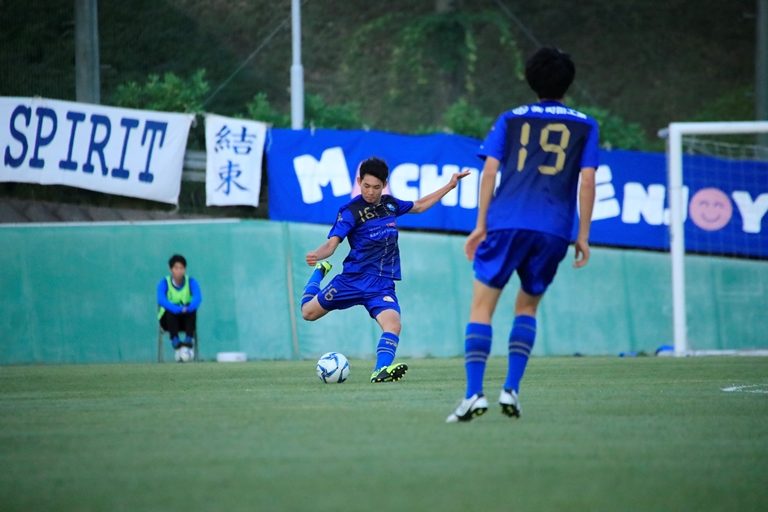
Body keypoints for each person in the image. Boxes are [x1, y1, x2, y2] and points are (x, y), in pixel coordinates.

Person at [446, 47, 599, 422]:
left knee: (481, 308)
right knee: (527, 307)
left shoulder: (511, 118)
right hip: (553, 230)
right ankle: (511, 389)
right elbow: (588, 180)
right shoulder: (586, 125)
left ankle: (473, 394)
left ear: (531, 79)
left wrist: (480, 225)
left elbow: (489, 171)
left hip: (506, 222)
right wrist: (583, 234)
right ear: (568, 82)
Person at [301, 157, 469, 383]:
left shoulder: (390, 205)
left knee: (393, 324)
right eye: (366, 186)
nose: (370, 192)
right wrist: (317, 255)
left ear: (385, 185)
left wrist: (450, 185)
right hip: (352, 279)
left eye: (376, 187)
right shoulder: (350, 211)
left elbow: (419, 206)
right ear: (359, 182)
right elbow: (332, 244)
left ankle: (380, 370)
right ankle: (320, 272)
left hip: (381, 284)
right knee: (308, 313)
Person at [157, 254, 202, 361]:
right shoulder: (164, 283)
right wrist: (177, 309)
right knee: (170, 310)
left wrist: (188, 308)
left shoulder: (191, 282)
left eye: (181, 268)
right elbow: (161, 300)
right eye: (176, 268)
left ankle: (188, 341)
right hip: (167, 322)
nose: (179, 271)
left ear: (185, 269)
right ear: (171, 269)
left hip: (185, 319)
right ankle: (175, 340)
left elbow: (198, 298)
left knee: (192, 309)